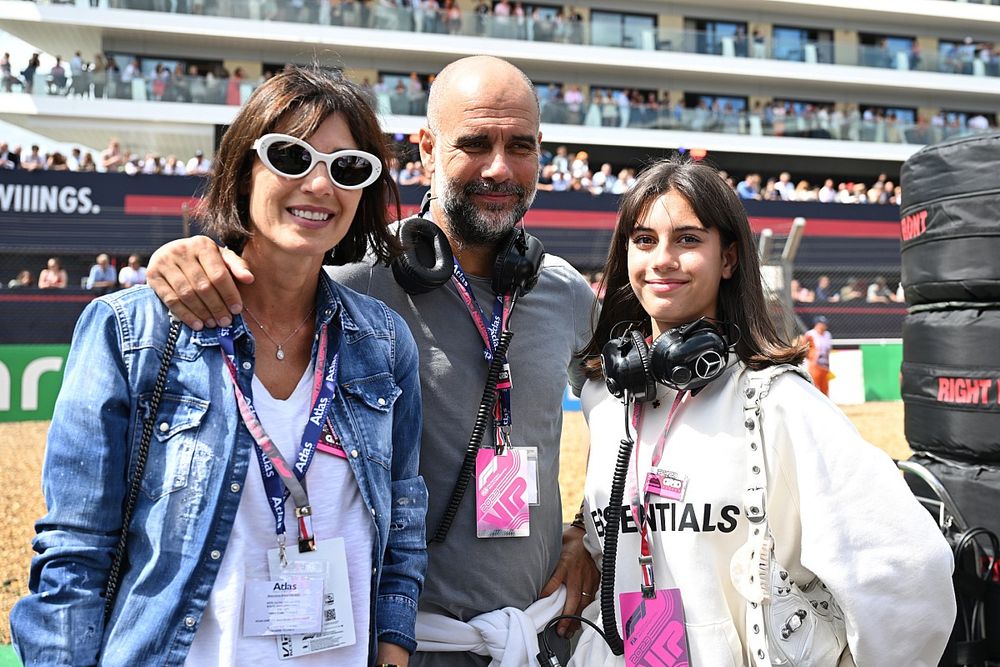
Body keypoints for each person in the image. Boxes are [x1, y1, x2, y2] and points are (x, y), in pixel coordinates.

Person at [145, 55, 598, 666]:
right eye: (475, 143)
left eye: (521, 146)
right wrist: (190, 256)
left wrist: (588, 530)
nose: (500, 167)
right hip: (398, 644)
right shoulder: (354, 294)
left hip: (535, 639)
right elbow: (265, 273)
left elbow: (633, 420)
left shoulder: (566, 292)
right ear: (427, 150)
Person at [11, 65, 427, 667]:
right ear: (243, 167)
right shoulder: (134, 330)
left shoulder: (384, 343)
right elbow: (75, 553)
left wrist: (391, 655)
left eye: (347, 167)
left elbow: (402, 533)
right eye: (290, 155)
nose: (319, 184)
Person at [570, 157, 955, 665]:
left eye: (687, 239)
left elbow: (909, 569)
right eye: (643, 240)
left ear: (728, 258)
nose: (661, 259)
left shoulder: (780, 403)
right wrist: (579, 533)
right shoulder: (606, 398)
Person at [804, 315, 833, 395]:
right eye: (822, 324)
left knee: (825, 388)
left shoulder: (827, 334)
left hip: (825, 364)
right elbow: (804, 348)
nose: (825, 326)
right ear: (817, 324)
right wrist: (810, 358)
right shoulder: (810, 334)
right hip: (814, 364)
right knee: (814, 386)